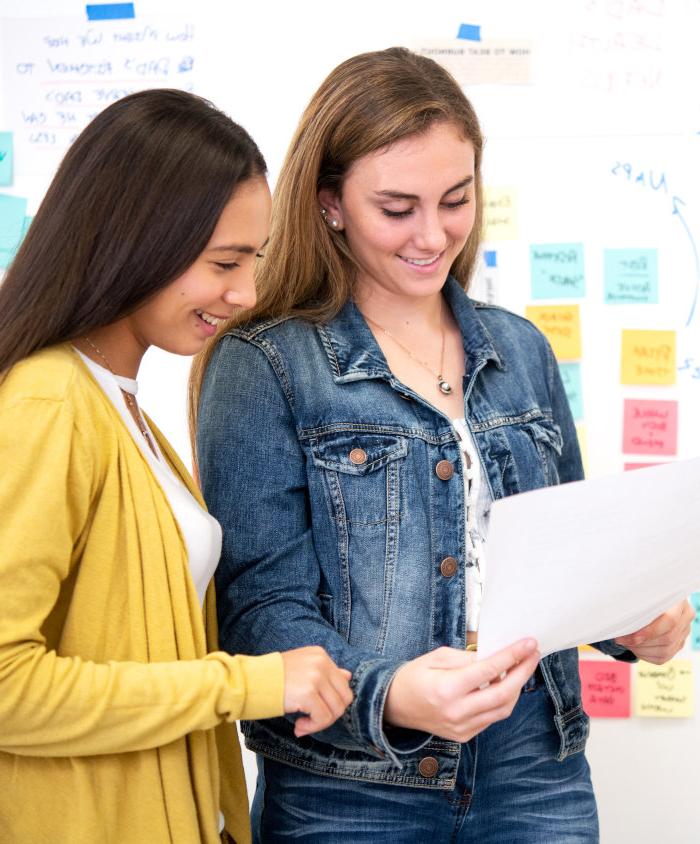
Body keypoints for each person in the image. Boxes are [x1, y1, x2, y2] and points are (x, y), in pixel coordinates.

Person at [192, 49, 693, 843]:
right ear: (330, 203)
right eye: (397, 208)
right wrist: (390, 693)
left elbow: (569, 558)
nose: (434, 235)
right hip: (349, 788)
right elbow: (256, 611)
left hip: (535, 767)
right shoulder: (265, 366)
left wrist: (635, 618)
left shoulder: (519, 349)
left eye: (455, 200)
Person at [0, 88, 353, 844]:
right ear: (137, 241)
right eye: (224, 262)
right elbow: (5, 686)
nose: (246, 293)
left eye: (252, 261)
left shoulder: (122, 409)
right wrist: (251, 681)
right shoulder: (50, 404)